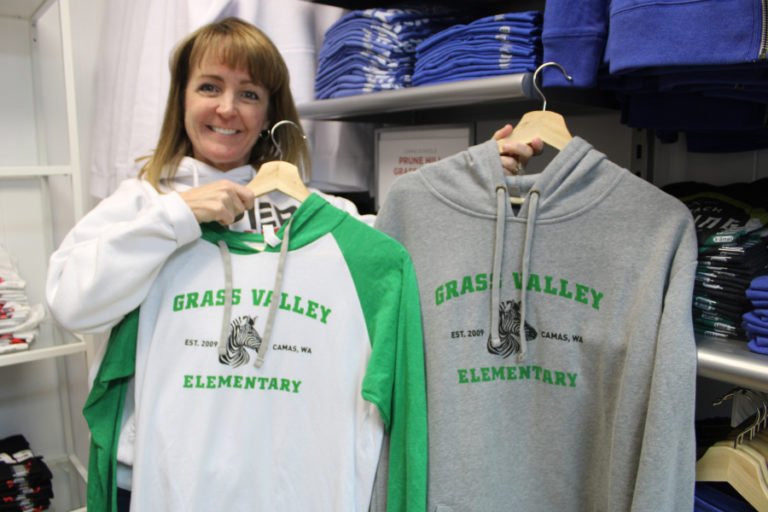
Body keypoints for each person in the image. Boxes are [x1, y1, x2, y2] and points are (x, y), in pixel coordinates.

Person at [46, 16, 542, 512]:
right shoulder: (139, 205)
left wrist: (468, 176)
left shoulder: (324, 219)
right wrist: (178, 215)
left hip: (279, 481)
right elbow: (72, 304)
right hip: (160, 483)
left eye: (249, 94)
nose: (226, 108)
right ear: (181, 100)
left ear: (269, 113)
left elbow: (396, 242)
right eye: (210, 87)